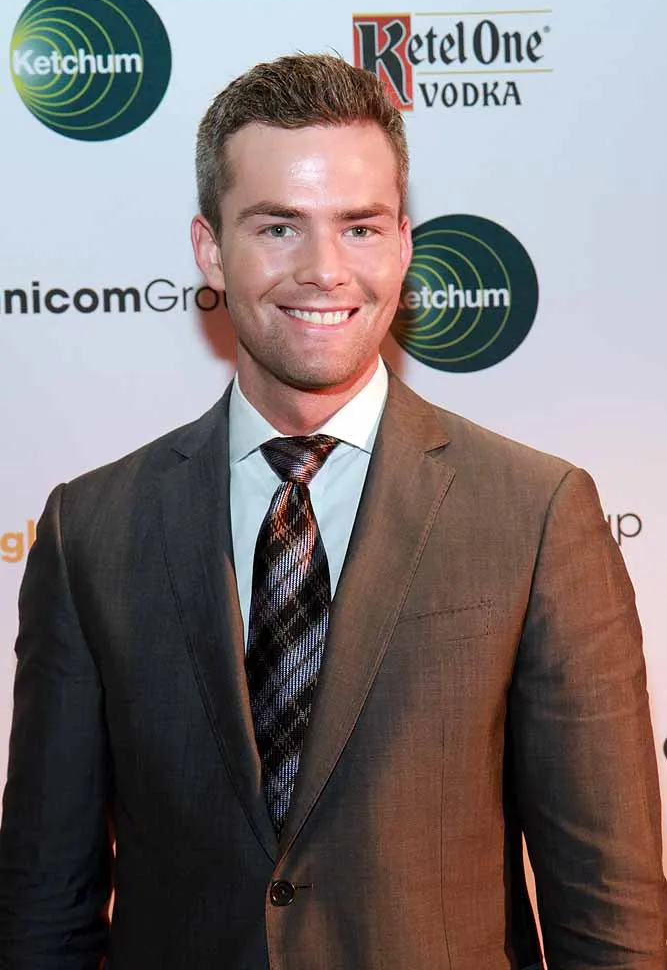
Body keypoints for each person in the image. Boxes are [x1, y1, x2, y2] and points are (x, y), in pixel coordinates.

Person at [0, 53, 664, 970]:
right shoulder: (92, 529)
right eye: (278, 227)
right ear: (209, 248)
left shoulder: (536, 514)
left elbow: (607, 909)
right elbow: (45, 901)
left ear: (403, 242)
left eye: (358, 228)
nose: (323, 270)